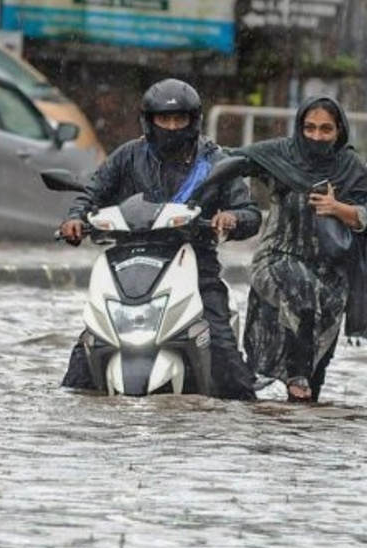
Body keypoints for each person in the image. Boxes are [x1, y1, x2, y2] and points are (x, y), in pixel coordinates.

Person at [57, 78, 262, 401]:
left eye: (178, 119)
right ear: (149, 121)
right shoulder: (127, 156)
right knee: (88, 346)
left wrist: (231, 219)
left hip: (195, 264)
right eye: (163, 120)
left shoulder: (214, 160)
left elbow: (249, 213)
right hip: (128, 264)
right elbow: (92, 192)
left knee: (221, 343)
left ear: (192, 121)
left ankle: (244, 415)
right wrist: (75, 219)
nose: (170, 126)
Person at [231, 95, 367, 402]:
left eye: (326, 130)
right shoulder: (279, 154)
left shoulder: (349, 168)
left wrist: (337, 207)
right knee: (300, 294)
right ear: (300, 128)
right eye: (310, 128)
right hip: (279, 256)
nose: (317, 136)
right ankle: (294, 377)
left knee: (316, 368)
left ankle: (302, 435)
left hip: (330, 269)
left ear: (338, 132)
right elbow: (232, 162)